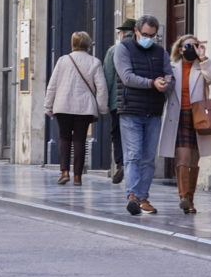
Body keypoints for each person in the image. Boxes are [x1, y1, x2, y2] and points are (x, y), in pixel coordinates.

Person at [114, 14, 173, 215]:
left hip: (154, 110)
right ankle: (132, 195)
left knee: (148, 158)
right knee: (133, 155)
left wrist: (166, 83)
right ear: (137, 31)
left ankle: (142, 197)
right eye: (146, 34)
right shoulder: (123, 49)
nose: (149, 38)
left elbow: (168, 75)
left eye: (153, 35)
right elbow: (127, 77)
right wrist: (151, 83)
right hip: (131, 109)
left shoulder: (160, 52)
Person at [158, 34, 211, 214]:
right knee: (183, 159)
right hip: (178, 118)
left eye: (196, 45)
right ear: (180, 49)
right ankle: (184, 197)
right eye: (188, 46)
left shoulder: (201, 67)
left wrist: (203, 58)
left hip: (198, 117)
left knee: (194, 161)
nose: (192, 48)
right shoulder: (171, 67)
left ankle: (191, 200)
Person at [44, 31, 109, 185]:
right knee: (80, 139)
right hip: (84, 107)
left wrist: (48, 105)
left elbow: (52, 85)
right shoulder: (95, 62)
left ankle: (64, 171)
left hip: (63, 105)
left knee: (64, 138)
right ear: (88, 44)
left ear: (72, 44)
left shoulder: (62, 60)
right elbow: (102, 87)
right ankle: (78, 176)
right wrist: (101, 108)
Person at [103, 18, 135, 184]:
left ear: (122, 34)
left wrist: (105, 101)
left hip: (117, 101)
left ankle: (121, 164)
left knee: (117, 133)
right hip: (137, 102)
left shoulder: (113, 50)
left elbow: (107, 77)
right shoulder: (140, 50)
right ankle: (132, 165)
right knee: (135, 134)